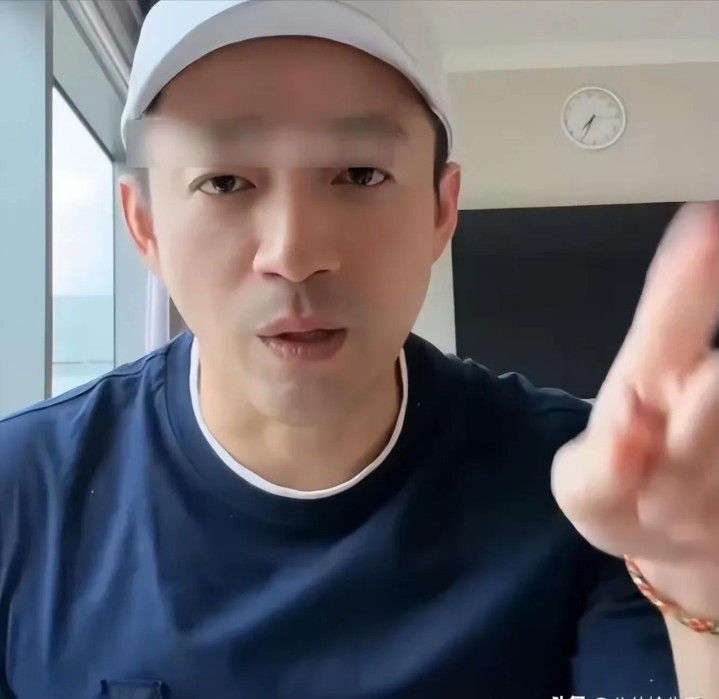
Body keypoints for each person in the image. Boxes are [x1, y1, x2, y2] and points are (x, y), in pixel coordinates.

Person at [1, 1, 717, 698]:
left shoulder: (599, 492)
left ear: (441, 209)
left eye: (360, 175)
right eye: (223, 182)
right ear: (145, 226)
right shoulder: (23, 493)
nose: (294, 254)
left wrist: (693, 573)